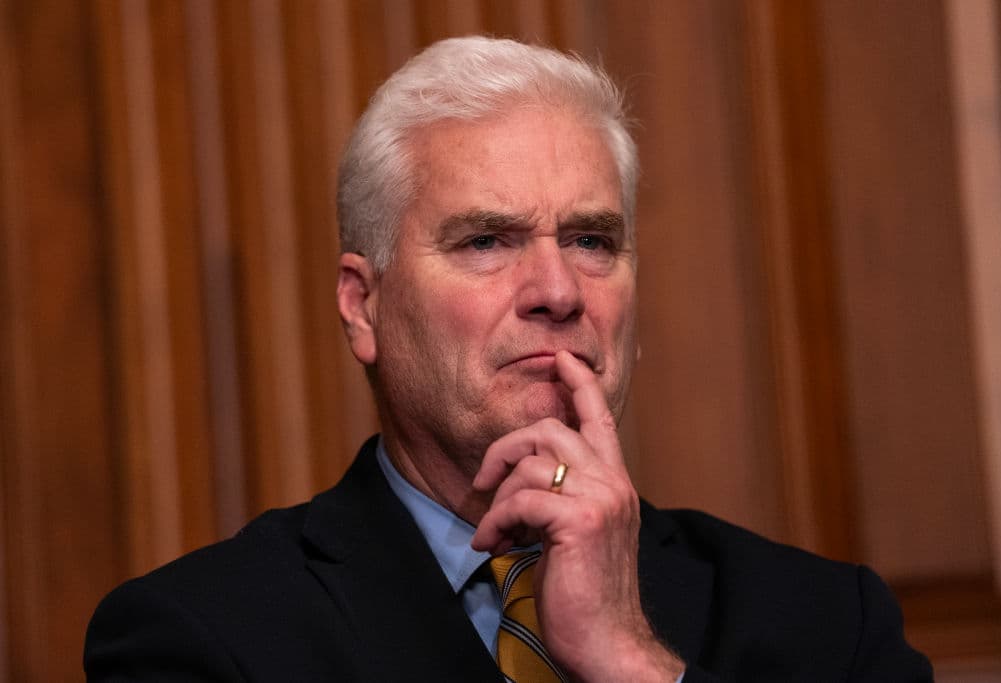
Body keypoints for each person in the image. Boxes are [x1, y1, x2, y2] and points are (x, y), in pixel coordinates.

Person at [84, 36, 933, 682]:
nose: (558, 290)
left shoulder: (830, 626)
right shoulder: (201, 637)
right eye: (487, 239)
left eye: (592, 239)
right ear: (363, 305)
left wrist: (630, 662)